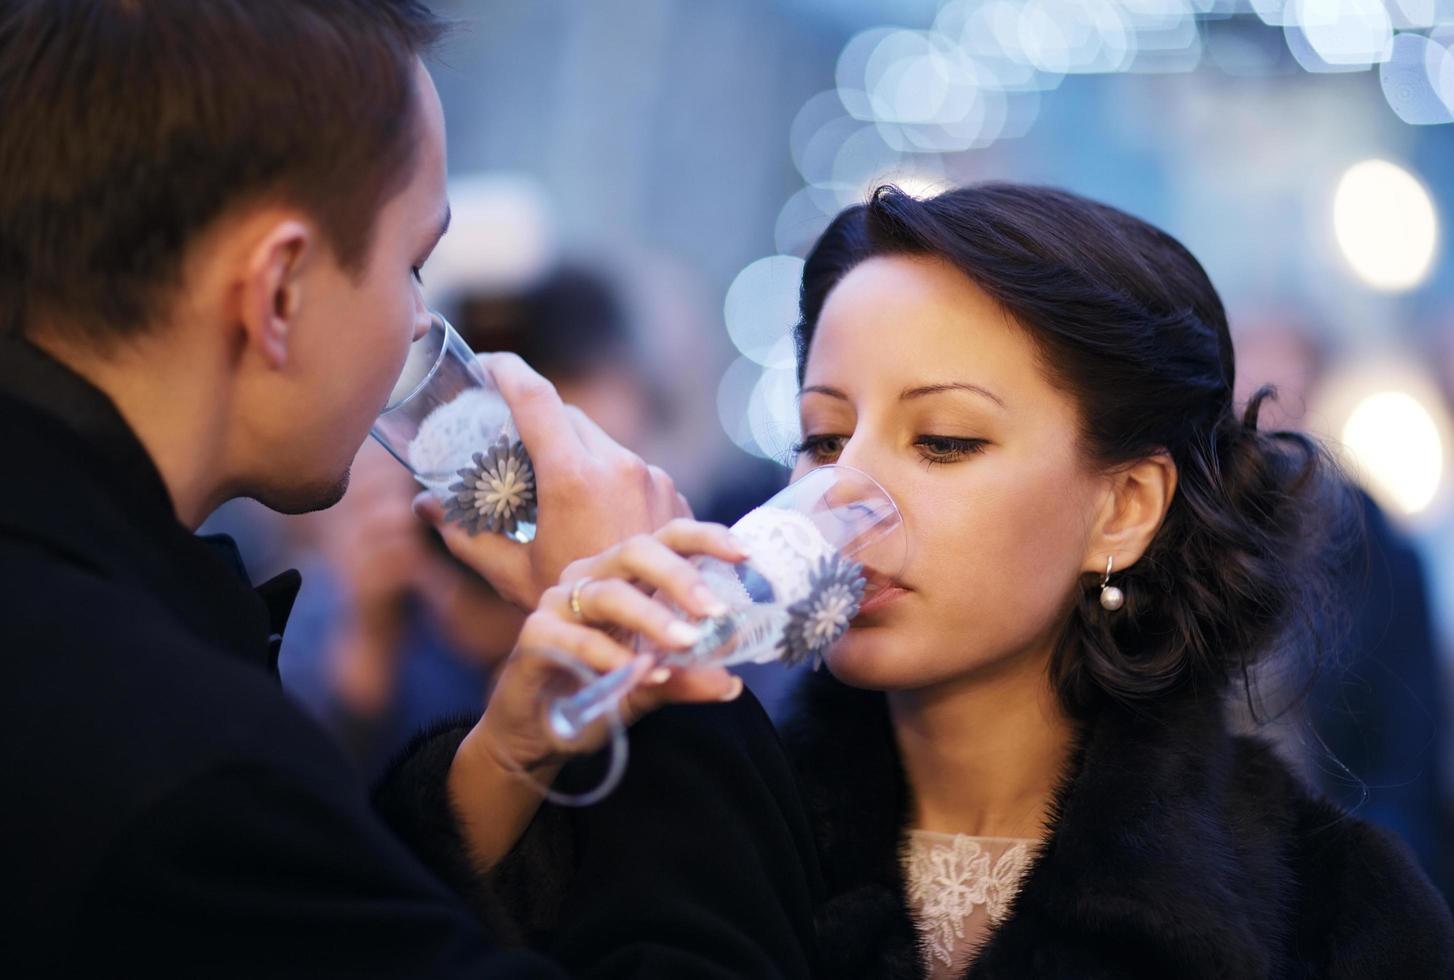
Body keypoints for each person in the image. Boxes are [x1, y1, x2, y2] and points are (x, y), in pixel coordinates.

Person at [0, 2, 816, 976]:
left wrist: (496, 767)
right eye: (412, 265)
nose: (419, 326)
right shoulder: (164, 756)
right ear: (278, 291)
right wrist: (668, 633)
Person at [458, 184, 1454, 978]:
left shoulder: (1332, 907)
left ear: (1123, 506)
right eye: (820, 436)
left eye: (942, 439)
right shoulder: (706, 824)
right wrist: (511, 749)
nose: (850, 496)